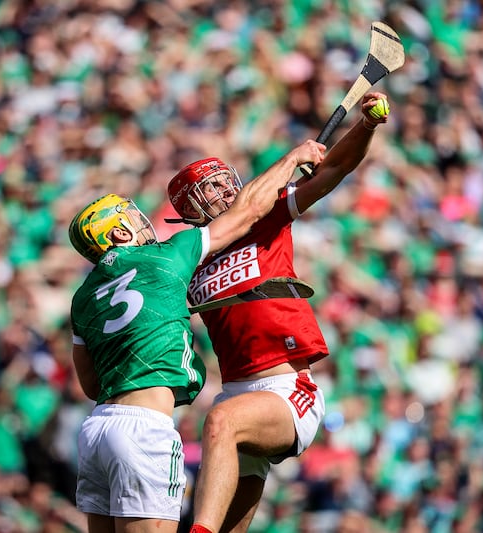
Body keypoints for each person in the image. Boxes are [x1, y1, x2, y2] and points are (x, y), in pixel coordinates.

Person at [68, 140, 327, 533]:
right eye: (134, 218)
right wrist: (292, 158)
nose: (145, 223)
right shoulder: (166, 256)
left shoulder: (83, 298)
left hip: (95, 432)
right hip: (143, 429)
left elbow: (90, 384)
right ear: (119, 233)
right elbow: (248, 211)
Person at [166, 92, 391, 533]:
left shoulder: (265, 218)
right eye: (208, 189)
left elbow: (335, 169)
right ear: (190, 210)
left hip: (288, 389)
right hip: (238, 390)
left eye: (223, 180)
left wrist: (365, 126)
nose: (223, 189)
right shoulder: (186, 257)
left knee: (221, 421)